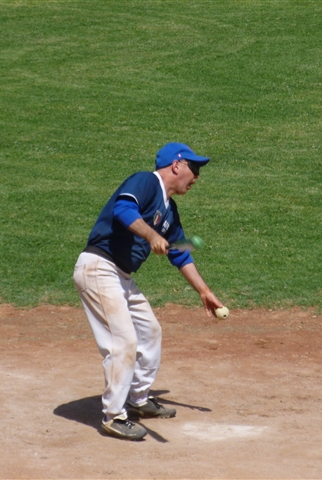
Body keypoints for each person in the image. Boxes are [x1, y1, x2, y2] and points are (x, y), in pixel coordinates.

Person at [73, 142, 223, 441]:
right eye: (194, 169)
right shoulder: (145, 181)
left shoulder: (170, 210)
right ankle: (114, 416)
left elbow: (179, 253)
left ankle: (137, 398)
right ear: (176, 165)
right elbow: (123, 209)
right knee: (124, 341)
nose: (196, 177)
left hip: (121, 277)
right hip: (98, 268)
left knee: (150, 331)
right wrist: (151, 234)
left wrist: (204, 291)